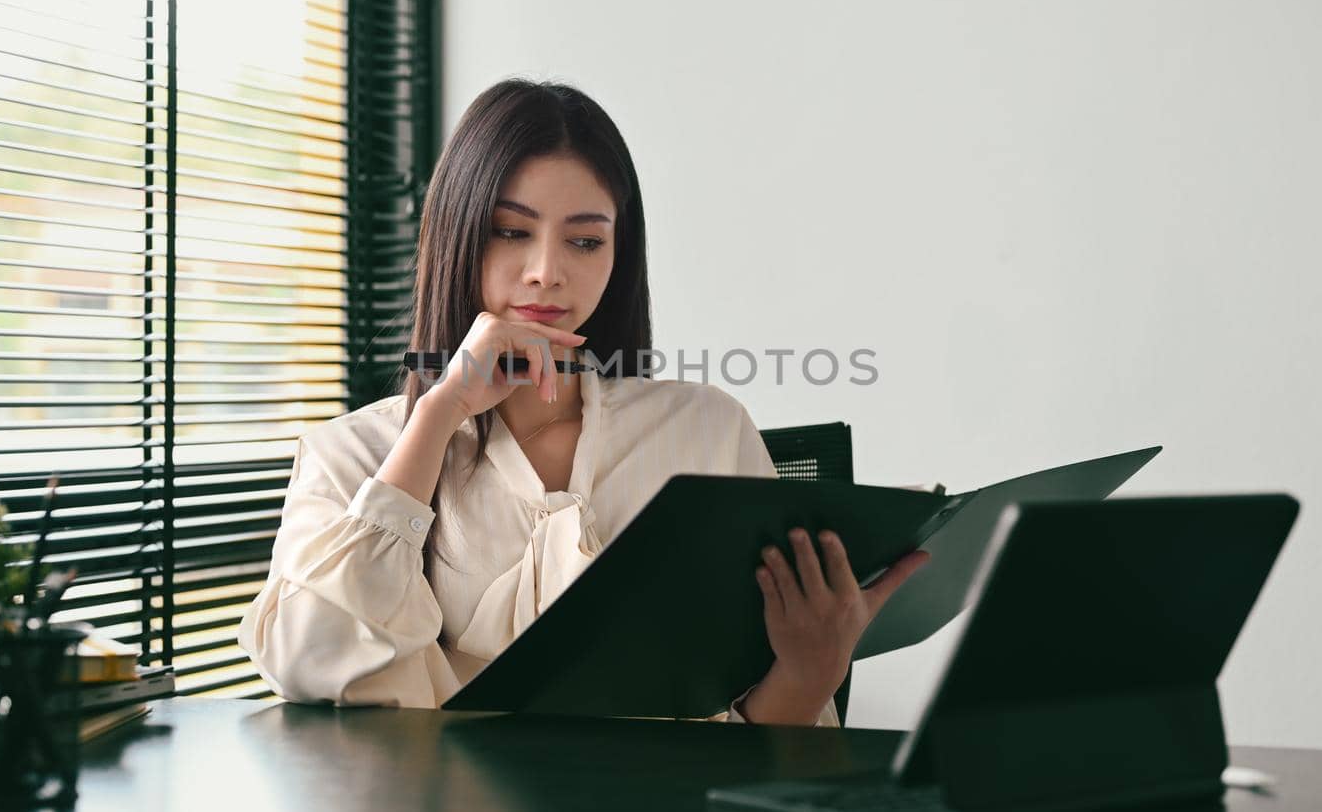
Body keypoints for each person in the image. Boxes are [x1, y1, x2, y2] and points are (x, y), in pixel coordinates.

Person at [238, 78, 930, 725]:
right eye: (511, 231)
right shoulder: (349, 456)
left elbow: (749, 749)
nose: (547, 269)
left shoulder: (706, 429)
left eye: (584, 240)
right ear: (457, 235)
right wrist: (442, 409)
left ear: (616, 255)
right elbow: (311, 657)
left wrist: (814, 668)